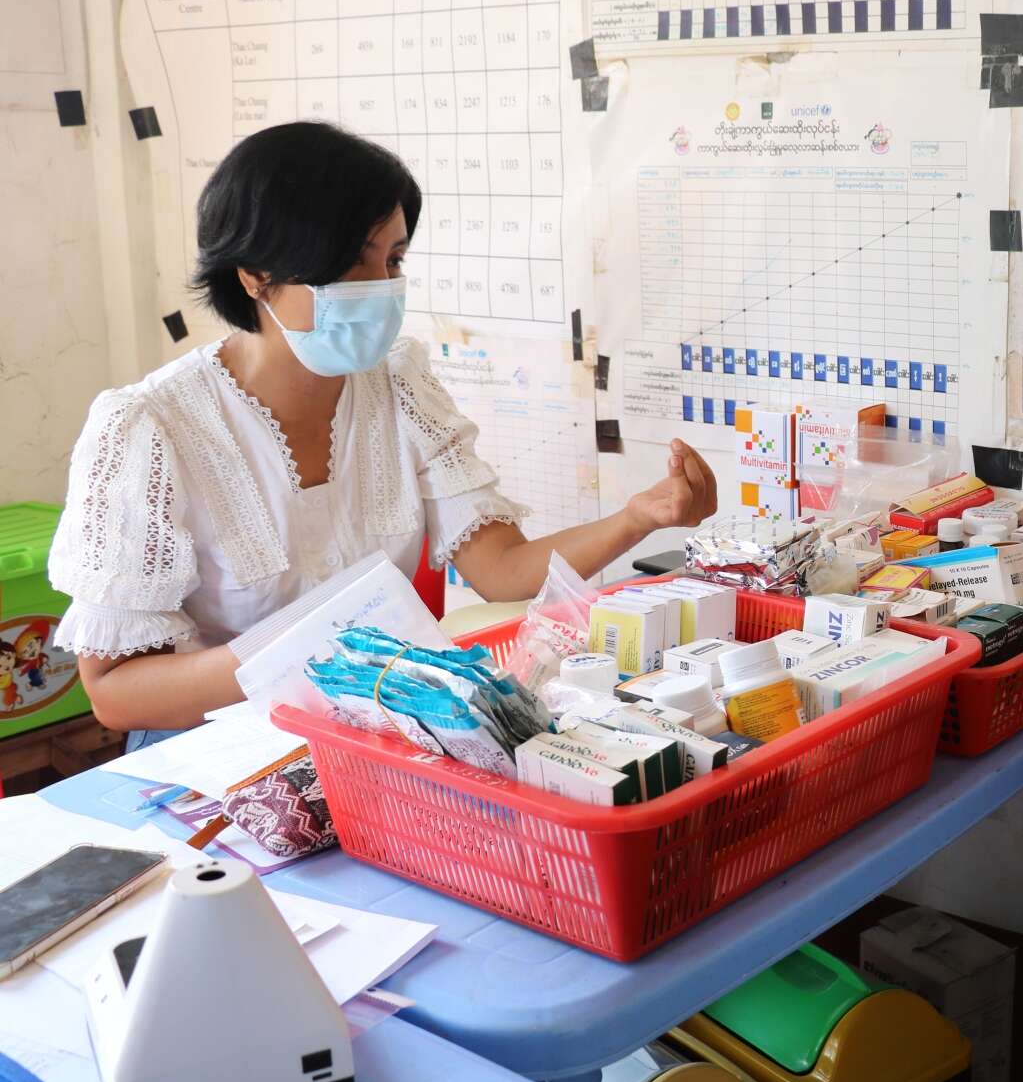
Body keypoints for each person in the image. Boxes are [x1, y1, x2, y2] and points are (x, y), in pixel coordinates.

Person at [49, 122, 716, 750]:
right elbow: (117, 694)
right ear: (255, 275)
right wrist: (314, 653)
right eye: (348, 263)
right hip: (219, 754)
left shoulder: (399, 383)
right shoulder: (148, 429)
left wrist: (639, 518)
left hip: (374, 739)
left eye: (392, 260)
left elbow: (503, 572)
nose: (380, 287)